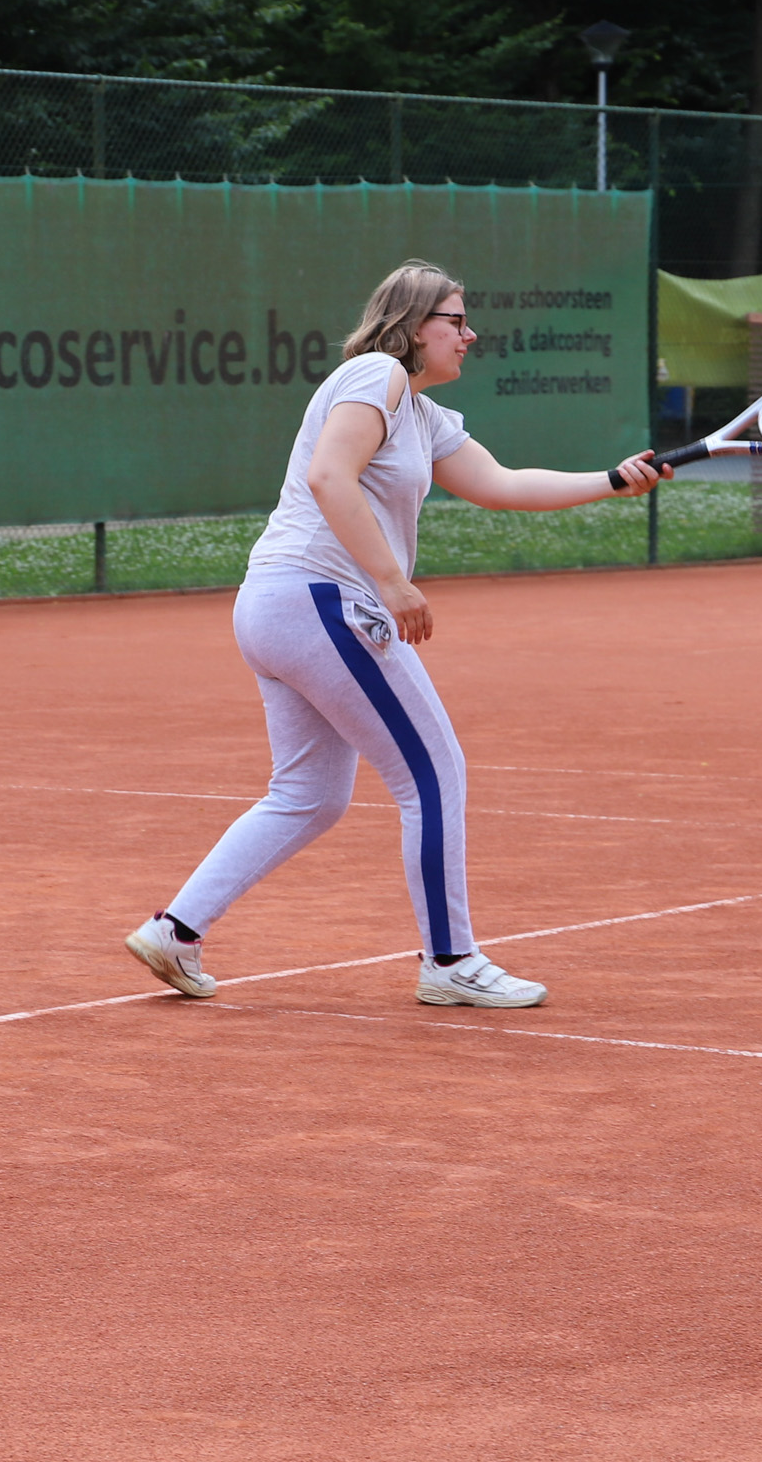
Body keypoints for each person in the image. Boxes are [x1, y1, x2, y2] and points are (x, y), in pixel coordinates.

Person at [126, 260, 668, 1009]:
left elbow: (502, 484)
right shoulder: (374, 374)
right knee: (434, 775)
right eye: (456, 320)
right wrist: (391, 580)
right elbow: (329, 477)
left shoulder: (421, 413)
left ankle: (175, 931)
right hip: (320, 601)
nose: (470, 335)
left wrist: (610, 480)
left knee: (310, 795)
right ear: (413, 326)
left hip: (282, 606)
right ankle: (450, 960)